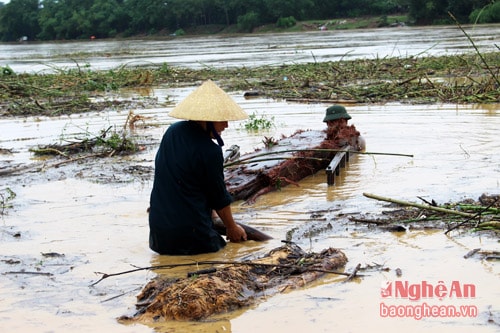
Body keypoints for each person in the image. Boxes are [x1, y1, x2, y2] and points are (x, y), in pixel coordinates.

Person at [148, 80, 248, 255]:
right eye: (222, 120)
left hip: (158, 235)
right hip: (192, 238)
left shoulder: (173, 132)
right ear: (207, 120)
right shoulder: (210, 151)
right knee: (229, 255)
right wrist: (231, 227)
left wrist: (212, 216)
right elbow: (218, 196)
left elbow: (185, 180)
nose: (226, 125)